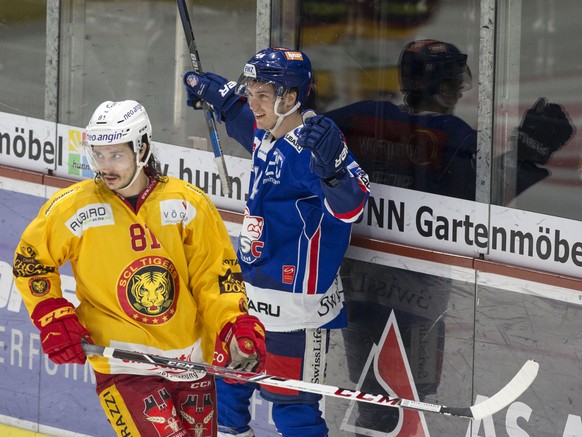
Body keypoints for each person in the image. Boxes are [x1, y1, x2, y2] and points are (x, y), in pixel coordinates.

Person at [12, 100, 266, 437]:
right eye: (99, 154)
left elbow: (216, 277)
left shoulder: (187, 203)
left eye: (116, 154)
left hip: (190, 362)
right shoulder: (73, 208)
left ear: (142, 147)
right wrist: (53, 314)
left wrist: (234, 325)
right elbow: (31, 262)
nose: (105, 166)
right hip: (122, 363)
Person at [183, 47, 370, 437]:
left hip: (297, 312)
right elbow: (239, 117)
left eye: (262, 95)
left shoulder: (321, 147)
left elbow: (352, 207)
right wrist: (215, 93)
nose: (253, 103)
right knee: (226, 398)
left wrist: (334, 175)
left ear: (291, 98)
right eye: (251, 91)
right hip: (249, 301)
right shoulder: (266, 132)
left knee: (293, 410)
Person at [326, 38, 574, 202]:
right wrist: (526, 156)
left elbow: (306, 136)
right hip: (422, 260)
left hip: (361, 245)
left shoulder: (363, 114)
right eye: (456, 83)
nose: (460, 90)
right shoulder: (455, 134)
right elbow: (484, 196)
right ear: (444, 89)